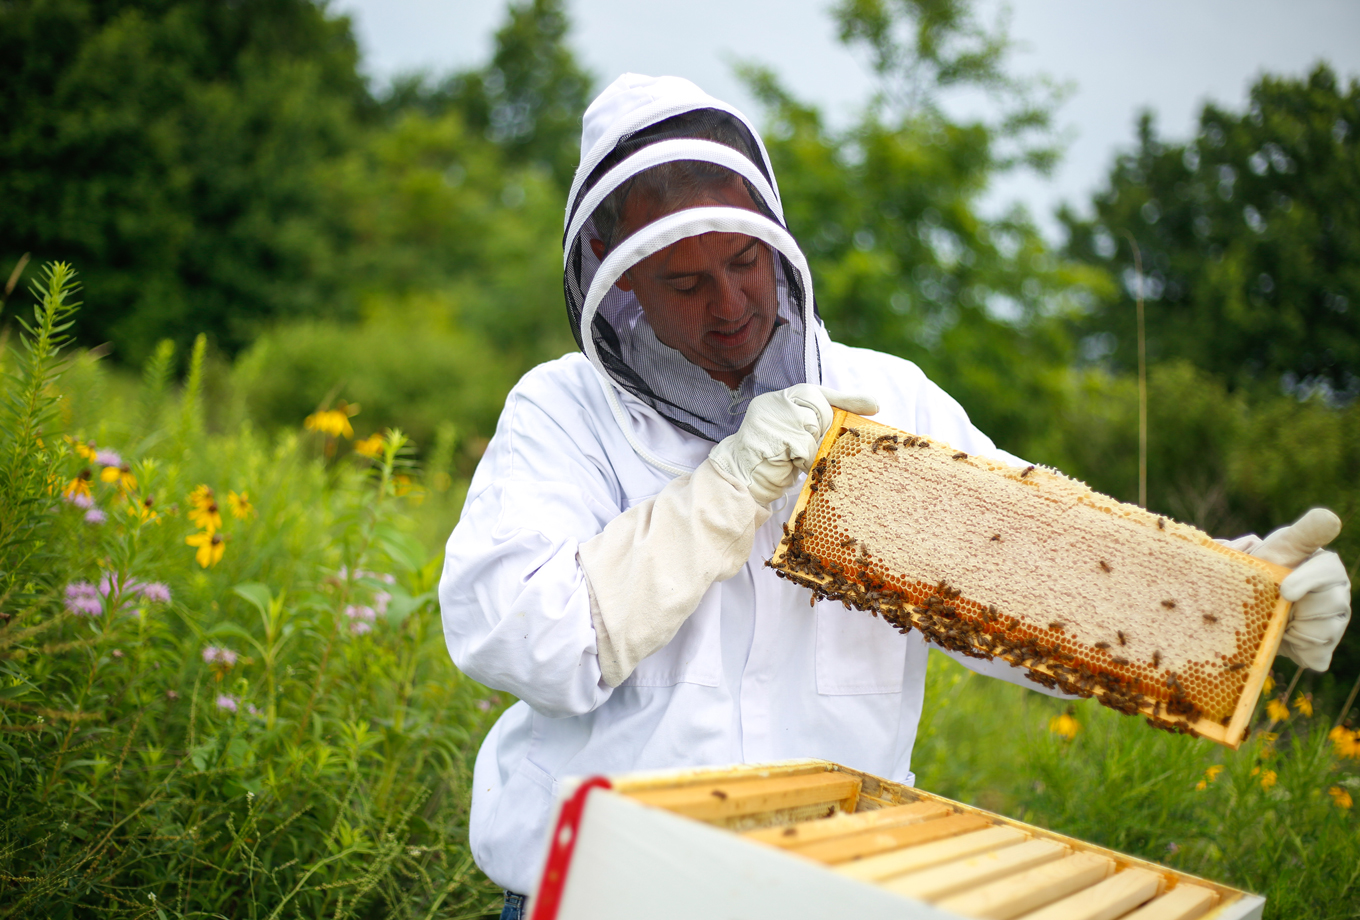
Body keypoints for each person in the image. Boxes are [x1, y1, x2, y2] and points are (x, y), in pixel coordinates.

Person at [438, 74, 1352, 918]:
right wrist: (727, 489)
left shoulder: (885, 398)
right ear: (619, 281)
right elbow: (525, 641)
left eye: (745, 263)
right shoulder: (564, 414)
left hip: (832, 888)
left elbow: (1033, 591)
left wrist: (1231, 608)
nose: (730, 303)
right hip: (613, 894)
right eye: (686, 282)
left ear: (778, 243)